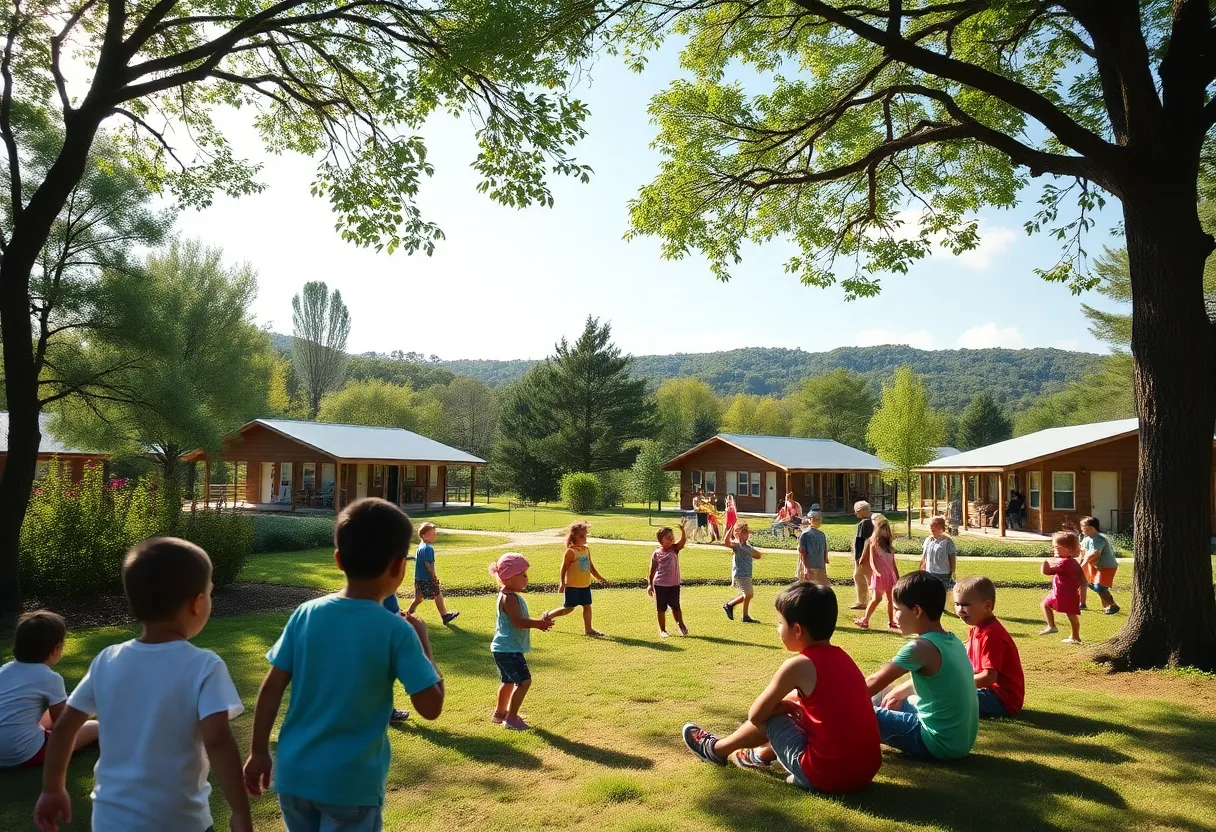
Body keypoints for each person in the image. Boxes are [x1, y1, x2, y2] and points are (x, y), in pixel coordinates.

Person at [242, 498, 444, 832]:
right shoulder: (396, 630)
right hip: (350, 784)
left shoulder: (305, 614)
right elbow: (431, 706)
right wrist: (423, 640)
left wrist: (259, 751)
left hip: (294, 776)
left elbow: (271, 687)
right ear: (399, 567)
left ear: (338, 560)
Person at [34, 539, 251, 832]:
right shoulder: (204, 666)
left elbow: (64, 727)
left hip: (111, 821)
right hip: (179, 822)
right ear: (196, 604)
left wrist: (52, 789)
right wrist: (239, 811)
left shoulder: (107, 660)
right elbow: (217, 741)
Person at [680, 582, 881, 793]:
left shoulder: (797, 665)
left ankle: (716, 750)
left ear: (797, 630)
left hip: (827, 777)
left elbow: (756, 715)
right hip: (864, 773)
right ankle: (759, 755)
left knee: (775, 716)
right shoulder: (843, 658)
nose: (777, 629)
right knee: (799, 706)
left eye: (779, 622)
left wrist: (781, 706)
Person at [866, 572, 979, 761]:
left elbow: (873, 682)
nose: (894, 615)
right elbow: (941, 680)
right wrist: (897, 693)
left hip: (936, 743)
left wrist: (833, 702)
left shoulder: (919, 648)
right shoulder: (952, 641)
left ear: (917, 611)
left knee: (857, 712)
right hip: (959, 743)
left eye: (897, 608)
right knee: (888, 692)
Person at [1, 611, 98, 769]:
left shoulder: (4, 670)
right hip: (23, 753)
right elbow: (63, 726)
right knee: (95, 727)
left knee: (43, 713)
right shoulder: (49, 678)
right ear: (56, 649)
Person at [489, 553, 554, 730]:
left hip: (502, 648)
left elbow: (518, 620)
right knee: (524, 682)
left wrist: (537, 621)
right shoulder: (509, 598)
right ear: (509, 577)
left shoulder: (508, 594)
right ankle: (511, 718)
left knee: (508, 681)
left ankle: (499, 713)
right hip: (509, 649)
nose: (526, 578)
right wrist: (538, 624)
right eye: (523, 574)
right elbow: (518, 622)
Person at [954, 577, 1025, 718]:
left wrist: (956, 684)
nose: (960, 611)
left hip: (1001, 699)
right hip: (988, 692)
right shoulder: (977, 628)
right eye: (957, 604)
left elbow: (989, 677)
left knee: (946, 698)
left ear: (987, 606)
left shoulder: (991, 635)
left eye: (965, 605)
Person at [546, 522, 609, 637]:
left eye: (585, 536)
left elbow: (591, 566)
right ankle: (548, 616)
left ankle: (588, 629)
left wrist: (599, 577)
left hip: (585, 585)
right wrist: (562, 583)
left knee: (587, 606)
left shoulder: (586, 550)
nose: (584, 538)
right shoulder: (570, 552)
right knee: (569, 608)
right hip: (572, 586)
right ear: (573, 536)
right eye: (581, 536)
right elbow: (563, 568)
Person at [855, 514, 899, 630]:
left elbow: (893, 563)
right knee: (877, 599)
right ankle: (865, 620)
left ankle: (891, 621)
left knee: (891, 599)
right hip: (879, 576)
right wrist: (876, 571)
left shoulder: (890, 548)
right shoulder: (874, 545)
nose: (885, 532)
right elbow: (872, 561)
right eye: (883, 529)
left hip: (889, 576)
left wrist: (897, 576)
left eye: (887, 530)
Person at [1040, 530, 1084, 644]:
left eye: (1057, 547)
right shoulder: (1071, 561)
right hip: (1064, 593)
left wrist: (1045, 562)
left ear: (1069, 550)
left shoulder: (1064, 563)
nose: (1054, 550)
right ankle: (1072, 635)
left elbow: (1047, 572)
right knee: (1046, 605)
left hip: (1064, 594)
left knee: (1071, 615)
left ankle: (1071, 635)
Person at [649, 521, 689, 638]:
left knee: (675, 606)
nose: (671, 539)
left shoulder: (674, 549)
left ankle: (680, 624)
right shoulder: (656, 553)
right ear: (660, 540)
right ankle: (663, 630)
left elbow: (682, 543)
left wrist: (682, 531)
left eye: (672, 536)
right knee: (661, 608)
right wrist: (649, 585)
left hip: (674, 584)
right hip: (660, 584)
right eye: (668, 537)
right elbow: (652, 570)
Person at [1079, 516, 1120, 615]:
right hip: (1096, 566)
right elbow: (1083, 552)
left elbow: (1095, 554)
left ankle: (1112, 605)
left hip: (1107, 566)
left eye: (1089, 528)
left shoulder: (1099, 539)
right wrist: (1079, 562)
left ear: (1095, 528)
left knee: (1100, 587)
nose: (1085, 530)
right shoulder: (1086, 539)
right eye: (1084, 527)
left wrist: (1083, 564)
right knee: (1094, 586)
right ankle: (1109, 606)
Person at [722, 522, 762, 622]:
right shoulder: (737, 545)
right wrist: (730, 529)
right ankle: (745, 616)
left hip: (747, 574)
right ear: (738, 534)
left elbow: (758, 555)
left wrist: (752, 552)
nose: (747, 534)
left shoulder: (747, 547)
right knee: (748, 594)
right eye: (744, 532)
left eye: (747, 532)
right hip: (740, 574)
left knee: (748, 594)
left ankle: (730, 605)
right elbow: (726, 542)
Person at [919, 516, 957, 590]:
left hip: (942, 575)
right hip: (928, 573)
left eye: (934, 526)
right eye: (931, 526)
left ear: (940, 527)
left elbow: (952, 558)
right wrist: (920, 570)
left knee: (940, 596)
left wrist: (953, 572)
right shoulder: (928, 540)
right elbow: (924, 557)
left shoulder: (947, 541)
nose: (931, 528)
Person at [850, 501, 875, 610]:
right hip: (873, 556)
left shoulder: (864, 523)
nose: (857, 515)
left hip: (864, 556)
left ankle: (863, 602)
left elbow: (863, 542)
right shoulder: (876, 520)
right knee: (870, 578)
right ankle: (871, 600)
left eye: (857, 512)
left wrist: (859, 558)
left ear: (862, 511)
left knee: (859, 577)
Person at [797, 512, 829, 587]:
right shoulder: (805, 534)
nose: (819, 522)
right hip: (809, 565)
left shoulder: (821, 534)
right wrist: (805, 568)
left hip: (819, 566)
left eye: (819, 520)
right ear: (810, 520)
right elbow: (803, 553)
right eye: (817, 520)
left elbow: (824, 551)